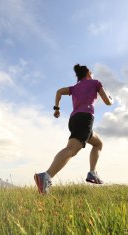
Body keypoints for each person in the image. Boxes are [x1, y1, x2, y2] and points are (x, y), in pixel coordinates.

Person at [34, 64, 114, 194]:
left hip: (74, 120)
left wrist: (57, 109)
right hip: (85, 119)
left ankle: (92, 173)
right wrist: (112, 99)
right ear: (88, 73)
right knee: (72, 149)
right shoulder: (95, 83)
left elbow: (59, 91)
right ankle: (46, 176)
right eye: (91, 73)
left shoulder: (75, 87)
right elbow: (107, 102)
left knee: (98, 143)